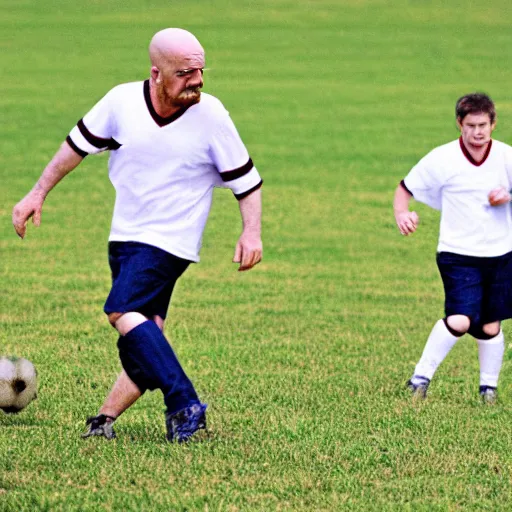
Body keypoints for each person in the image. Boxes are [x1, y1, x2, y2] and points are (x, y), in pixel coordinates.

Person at [12, 28, 263, 442]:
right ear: (157, 73)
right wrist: (37, 192)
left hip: (171, 241)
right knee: (147, 333)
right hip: (125, 234)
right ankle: (105, 419)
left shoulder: (212, 115)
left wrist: (250, 233)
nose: (197, 81)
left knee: (120, 309)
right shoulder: (121, 102)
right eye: (185, 73)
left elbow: (246, 181)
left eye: (201, 71)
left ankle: (184, 401)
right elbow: (75, 147)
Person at [394, 92, 512, 404]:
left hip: (501, 255)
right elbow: (405, 189)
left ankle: (488, 390)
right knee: (460, 319)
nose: (478, 131)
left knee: (489, 325)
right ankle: (419, 378)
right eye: (471, 125)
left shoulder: (506, 157)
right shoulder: (442, 158)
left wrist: (507, 198)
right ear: (459, 124)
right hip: (457, 254)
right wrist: (402, 213)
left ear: (493, 124)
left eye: (483, 125)